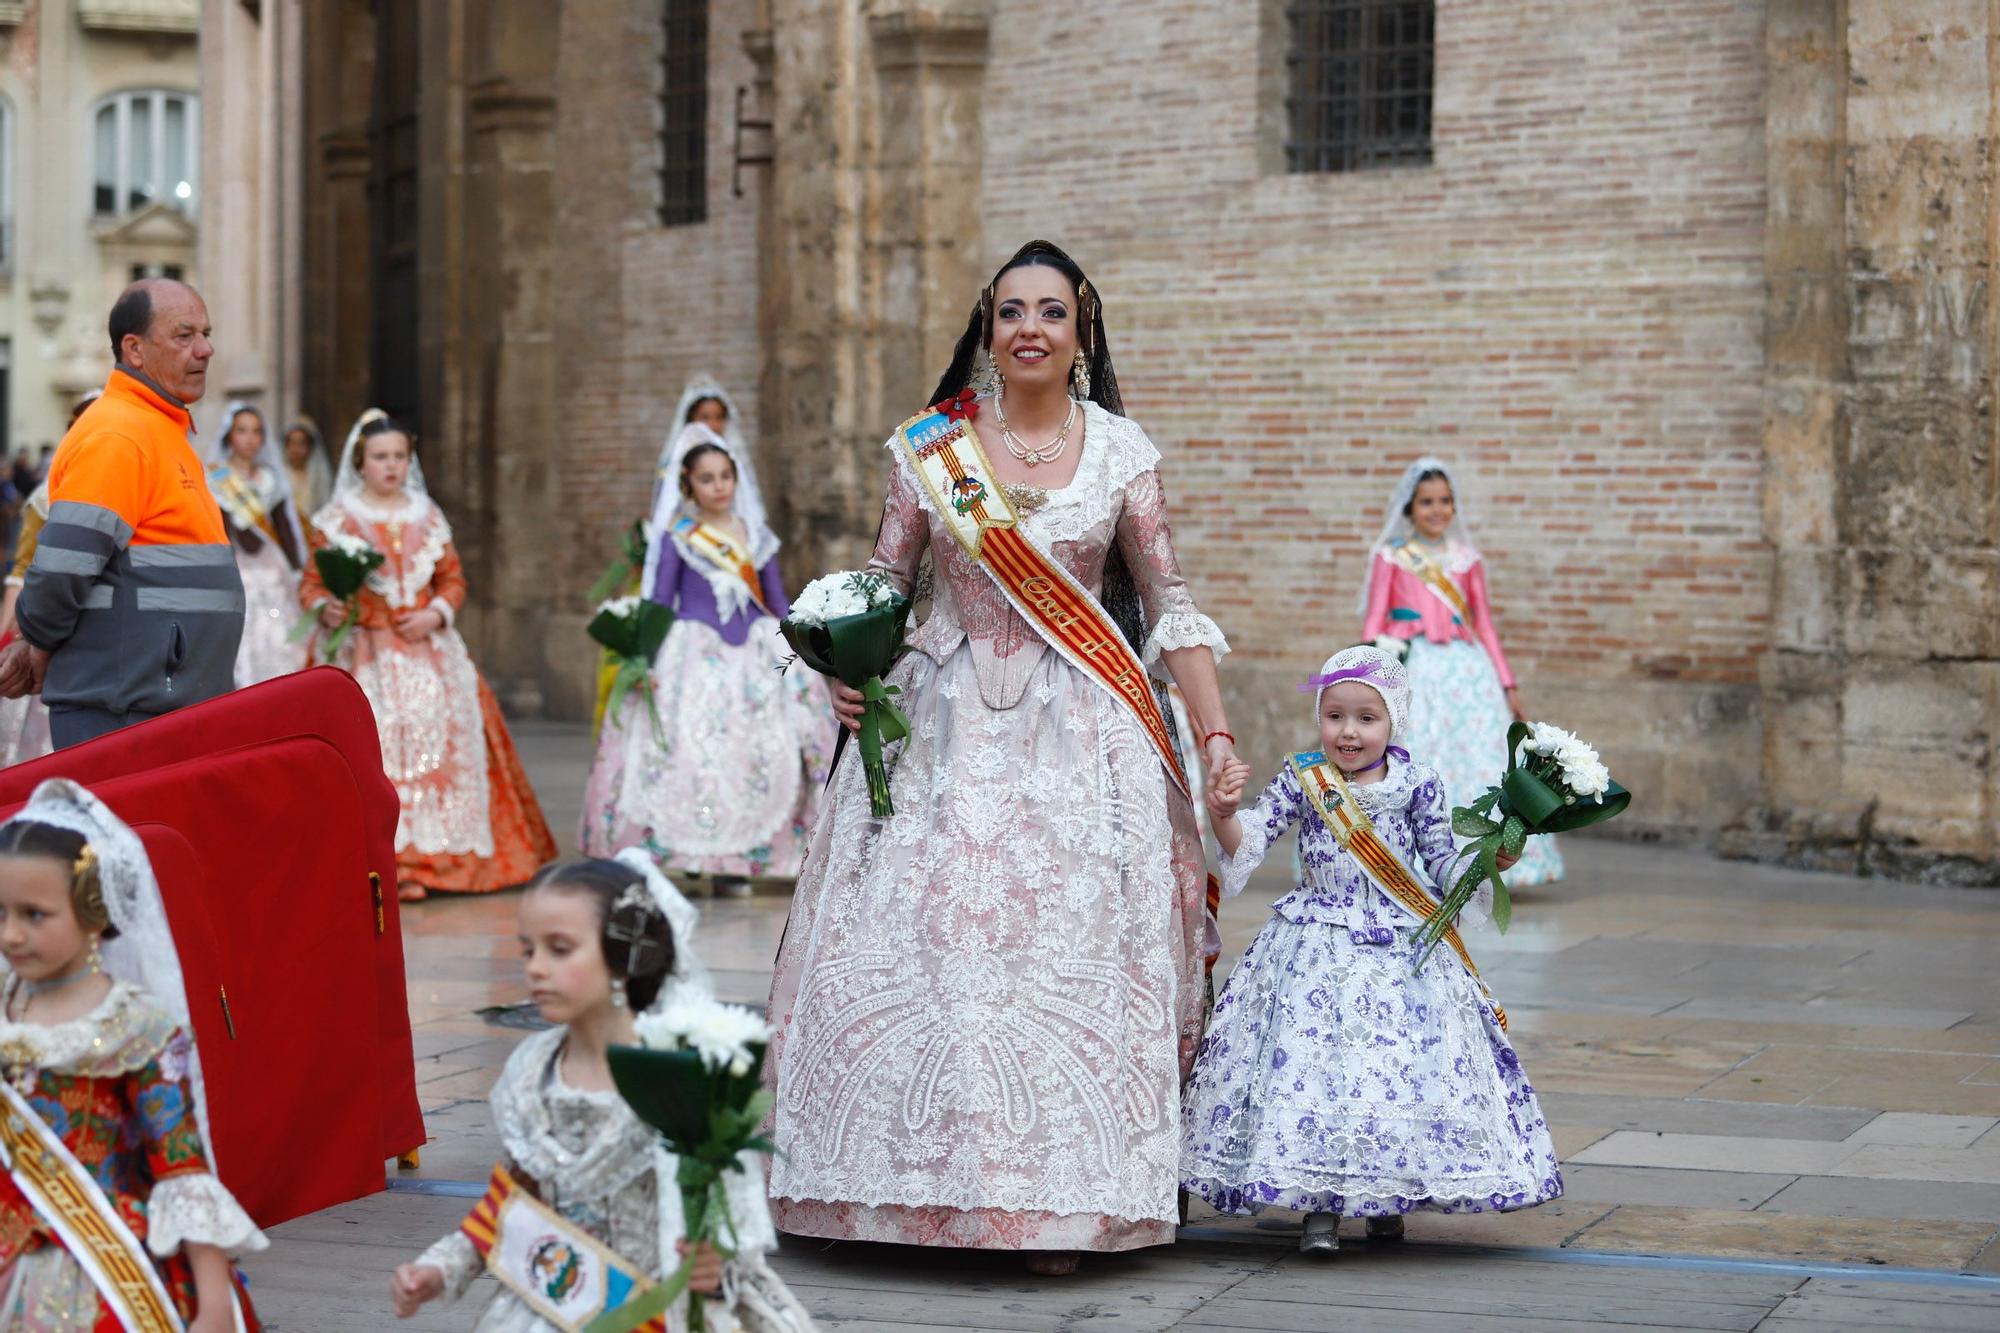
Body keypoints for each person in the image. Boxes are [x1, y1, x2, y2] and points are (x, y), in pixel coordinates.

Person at [765, 241, 1237, 1273]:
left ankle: (1062, 1203)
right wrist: (844, 673)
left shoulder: (1119, 452)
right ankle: (892, 1186)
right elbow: (880, 589)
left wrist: (1214, 737)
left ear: (1080, 334)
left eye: (1051, 312)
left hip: (1085, 730)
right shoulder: (932, 446)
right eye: (1010, 310)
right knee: (930, 943)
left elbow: (1171, 606)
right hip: (937, 722)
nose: (1030, 327)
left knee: (1063, 952)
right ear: (986, 328)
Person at [1181, 645, 1562, 1254]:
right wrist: (1223, 810)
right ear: (1318, 718)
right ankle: (1320, 1209)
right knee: (1315, 1071)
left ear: (1394, 722)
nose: (1348, 731)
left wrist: (1489, 860)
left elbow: (1440, 861)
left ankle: (1389, 1199)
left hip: (1402, 949)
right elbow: (1247, 841)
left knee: (1397, 1072)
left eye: (1366, 717)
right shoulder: (1304, 776)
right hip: (1313, 947)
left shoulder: (1419, 782)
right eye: (1334, 716)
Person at [390, 852, 813, 1331]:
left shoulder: (671, 1072)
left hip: (650, 1307)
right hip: (555, 1304)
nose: (536, 968)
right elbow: (512, 1204)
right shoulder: (533, 1072)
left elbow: (721, 1215)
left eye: (560, 949)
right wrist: (441, 1269)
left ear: (625, 959)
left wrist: (715, 1266)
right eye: (528, 950)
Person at [0, 778, 268, 1327]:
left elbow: (181, 1163)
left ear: (92, 910)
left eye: (34, 914)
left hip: (110, 1274)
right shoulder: (7, 1011)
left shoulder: (136, 1028)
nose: (11, 934)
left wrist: (214, 1300)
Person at [302, 410, 555, 900]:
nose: (391, 466)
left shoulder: (427, 515)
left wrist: (435, 615)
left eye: (399, 456)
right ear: (361, 462)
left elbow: (453, 579)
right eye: (380, 457)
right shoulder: (338, 520)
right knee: (372, 750)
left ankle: (442, 861)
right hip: (364, 652)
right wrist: (329, 608)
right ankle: (384, 861)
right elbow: (311, 583)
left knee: (444, 745)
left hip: (428, 652)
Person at [578, 418, 834, 893]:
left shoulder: (755, 536)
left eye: (725, 476)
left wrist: (799, 654)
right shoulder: (677, 535)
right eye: (707, 478)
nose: (719, 486)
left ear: (737, 479)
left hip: (757, 651)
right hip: (691, 652)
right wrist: (645, 660)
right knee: (690, 750)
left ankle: (742, 860)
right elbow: (658, 600)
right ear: (688, 486)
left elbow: (776, 602)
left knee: (766, 748)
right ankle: (688, 855)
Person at [0, 279, 245, 747]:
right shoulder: (120, 434)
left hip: (154, 702)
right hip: (126, 709)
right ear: (133, 349)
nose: (206, 349)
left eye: (206, 333)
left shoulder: (158, 426)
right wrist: (37, 638)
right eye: (184, 335)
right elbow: (63, 568)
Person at [1359, 458, 1564, 884]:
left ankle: (1488, 860)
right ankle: (1404, 860)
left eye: (1445, 501)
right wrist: (1367, 675)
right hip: (1414, 667)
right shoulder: (1392, 557)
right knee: (1416, 754)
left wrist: (1507, 682)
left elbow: (1484, 622)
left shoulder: (1466, 559)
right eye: (1427, 502)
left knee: (1478, 757)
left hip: (1468, 673)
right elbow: (1374, 621)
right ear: (1410, 508)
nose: (1437, 510)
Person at [208, 402, 307, 687]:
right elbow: (219, 528)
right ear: (230, 436)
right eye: (242, 431)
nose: (250, 439)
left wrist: (298, 569)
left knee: (279, 629)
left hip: (272, 567)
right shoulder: (216, 477)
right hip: (237, 567)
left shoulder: (270, 479)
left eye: (256, 432)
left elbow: (284, 526)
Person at [280, 416, 334, 525]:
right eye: (292, 443)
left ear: (310, 447)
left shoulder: (318, 479)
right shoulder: (278, 476)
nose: (296, 449)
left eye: (301, 443)